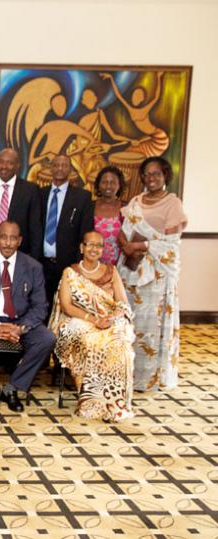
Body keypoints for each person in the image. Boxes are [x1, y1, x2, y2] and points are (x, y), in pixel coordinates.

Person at [0, 221, 55, 413]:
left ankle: (13, 387)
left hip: (19, 321)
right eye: (3, 237)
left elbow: (40, 306)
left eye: (13, 238)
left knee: (47, 339)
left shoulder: (33, 266)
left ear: (19, 241)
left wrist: (20, 328)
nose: (7, 243)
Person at [49, 231, 135, 422]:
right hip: (80, 319)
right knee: (90, 342)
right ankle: (92, 403)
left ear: (103, 249)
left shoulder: (111, 271)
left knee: (119, 343)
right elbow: (67, 305)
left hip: (109, 319)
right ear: (82, 248)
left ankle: (115, 403)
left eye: (99, 245)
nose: (94, 249)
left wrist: (111, 318)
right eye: (90, 244)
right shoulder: (70, 272)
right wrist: (94, 320)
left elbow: (122, 303)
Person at [117, 156, 187, 392]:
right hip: (131, 270)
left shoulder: (173, 203)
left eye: (156, 173)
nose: (151, 178)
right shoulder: (136, 201)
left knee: (152, 327)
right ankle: (128, 374)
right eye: (147, 174)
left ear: (165, 175)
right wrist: (126, 245)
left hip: (157, 275)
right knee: (132, 324)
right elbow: (124, 231)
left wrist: (140, 245)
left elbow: (171, 243)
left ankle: (150, 378)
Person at [40, 154, 94, 310]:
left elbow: (85, 232)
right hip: (41, 263)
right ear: (50, 168)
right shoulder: (39, 193)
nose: (59, 168)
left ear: (70, 169)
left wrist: (79, 263)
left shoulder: (82, 197)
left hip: (68, 263)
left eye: (64, 165)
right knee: (42, 306)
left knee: (65, 306)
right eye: (56, 165)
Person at [0, 148, 43, 258]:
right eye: (1, 162)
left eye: (9, 163)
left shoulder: (30, 190)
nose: (4, 166)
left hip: (20, 254)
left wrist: (34, 259)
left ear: (17, 166)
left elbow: (35, 228)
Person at [93, 166, 126, 265]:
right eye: (104, 182)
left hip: (119, 265)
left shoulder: (126, 208)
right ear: (98, 185)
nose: (108, 186)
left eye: (113, 183)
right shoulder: (89, 207)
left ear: (119, 185)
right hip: (93, 263)